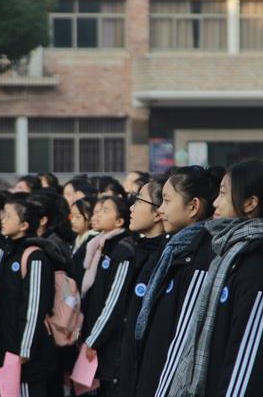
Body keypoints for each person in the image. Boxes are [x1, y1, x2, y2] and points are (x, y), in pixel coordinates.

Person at [168, 160, 263, 397]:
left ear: (250, 203)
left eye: (223, 194)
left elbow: (249, 365)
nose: (215, 203)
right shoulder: (228, 257)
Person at [134, 166, 221, 397]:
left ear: (193, 206)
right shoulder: (175, 248)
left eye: (166, 200)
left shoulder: (202, 256)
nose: (161, 209)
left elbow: (184, 340)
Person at [0, 197, 63, 397]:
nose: (3, 219)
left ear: (24, 225)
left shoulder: (35, 256)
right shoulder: (5, 251)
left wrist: (25, 348)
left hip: (26, 351)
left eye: (9, 216)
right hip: (2, 347)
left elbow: (35, 306)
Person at [117, 178, 168, 397]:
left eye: (139, 201)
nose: (131, 208)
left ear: (158, 213)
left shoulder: (166, 257)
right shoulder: (134, 249)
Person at [80, 196, 135, 396]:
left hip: (108, 342)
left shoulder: (122, 251)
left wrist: (94, 339)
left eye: (104, 210)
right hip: (93, 335)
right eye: (97, 210)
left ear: (119, 221)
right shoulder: (98, 246)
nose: (97, 215)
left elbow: (114, 303)